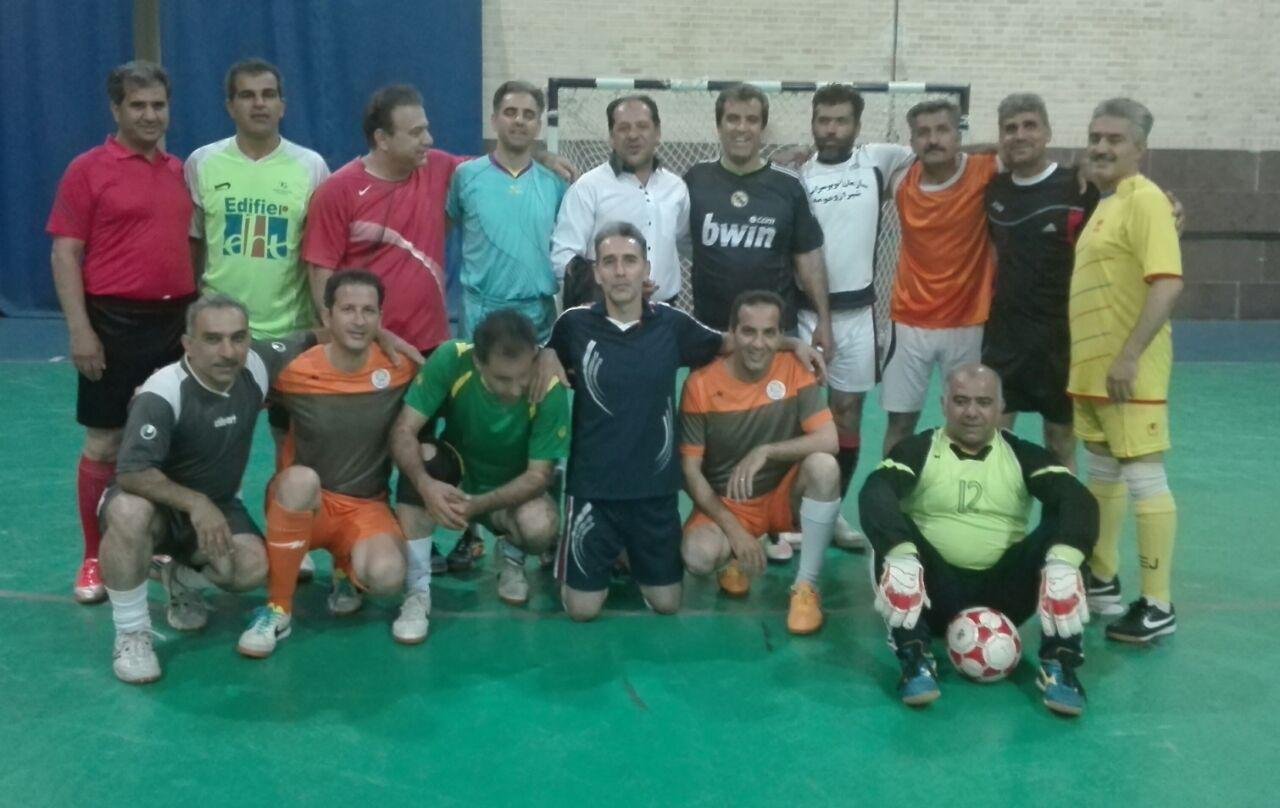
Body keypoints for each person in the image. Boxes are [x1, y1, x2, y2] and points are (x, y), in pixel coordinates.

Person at [544, 222, 824, 621]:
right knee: (581, 611)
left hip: (654, 493)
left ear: (645, 268)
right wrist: (545, 355)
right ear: (597, 272)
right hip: (593, 491)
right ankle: (599, 552)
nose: (620, 271)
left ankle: (628, 553)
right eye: (609, 262)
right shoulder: (573, 324)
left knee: (667, 603)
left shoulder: (672, 324)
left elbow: (733, 341)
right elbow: (545, 355)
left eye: (629, 261)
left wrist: (793, 343)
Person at [859, 364, 1098, 716]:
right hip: (932, 592)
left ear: (1001, 408)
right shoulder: (917, 449)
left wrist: (1064, 560)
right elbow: (876, 491)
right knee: (894, 536)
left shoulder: (1022, 454)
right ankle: (915, 659)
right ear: (943, 405)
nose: (971, 412)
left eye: (984, 402)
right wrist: (901, 553)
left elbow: (1076, 499)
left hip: (1006, 594)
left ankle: (1060, 664)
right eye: (961, 401)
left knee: (1067, 539)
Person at [47, 61, 197, 605]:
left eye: (159, 105)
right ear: (116, 109)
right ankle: (94, 556)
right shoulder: (87, 170)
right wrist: (81, 330)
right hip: (112, 323)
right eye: (138, 105)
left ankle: (164, 548)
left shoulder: (181, 171)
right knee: (106, 442)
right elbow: (65, 253)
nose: (150, 115)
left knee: (169, 442)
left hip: (176, 324)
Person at [99, 295, 294, 683]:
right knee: (129, 513)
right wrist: (195, 503)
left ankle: (178, 577)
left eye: (238, 338)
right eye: (213, 339)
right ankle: (132, 633)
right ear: (188, 344)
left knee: (251, 569)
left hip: (218, 506)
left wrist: (387, 338)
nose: (228, 351)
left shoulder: (256, 365)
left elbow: (314, 336)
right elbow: (132, 473)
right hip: (155, 506)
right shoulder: (162, 391)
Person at [236, 271, 416, 658]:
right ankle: (278, 610)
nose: (359, 320)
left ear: (381, 317)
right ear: (327, 315)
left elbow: (451, 371)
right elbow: (231, 364)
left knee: (388, 576)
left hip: (366, 507)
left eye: (369, 311)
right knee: (300, 480)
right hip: (306, 501)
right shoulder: (293, 369)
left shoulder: (399, 367)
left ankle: (344, 569)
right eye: (348, 309)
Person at [1069, 98, 1183, 643]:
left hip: (1127, 373)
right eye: (1095, 137)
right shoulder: (1106, 203)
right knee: (1104, 472)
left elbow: (1168, 283)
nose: (1101, 146)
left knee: (1143, 476)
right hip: (1093, 374)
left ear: (1140, 148)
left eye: (1114, 139)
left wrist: (1131, 354)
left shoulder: (1146, 200)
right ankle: (1102, 578)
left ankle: (1158, 604)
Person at [388, 310, 570, 640]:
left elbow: (538, 476)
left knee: (541, 525)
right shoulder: (452, 359)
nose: (515, 389)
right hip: (457, 477)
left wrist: (476, 505)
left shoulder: (548, 386)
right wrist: (426, 486)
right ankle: (416, 592)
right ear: (478, 361)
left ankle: (512, 555)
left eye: (522, 376)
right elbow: (403, 431)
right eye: (502, 379)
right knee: (423, 460)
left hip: (510, 492)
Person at [798, 83, 918, 549]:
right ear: (813, 124)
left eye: (840, 121)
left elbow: (941, 151)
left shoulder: (878, 160)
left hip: (858, 315)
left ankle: (831, 514)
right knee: (799, 418)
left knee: (847, 415)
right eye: (823, 120)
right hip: (805, 315)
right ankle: (789, 513)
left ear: (856, 125)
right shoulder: (796, 174)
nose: (831, 129)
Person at [680, 290, 840, 634]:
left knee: (824, 467)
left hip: (782, 495)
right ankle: (735, 557)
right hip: (730, 502)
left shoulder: (795, 368)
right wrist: (734, 531)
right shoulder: (700, 385)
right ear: (732, 333)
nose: (758, 343)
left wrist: (766, 451)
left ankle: (806, 586)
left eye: (769, 333)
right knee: (697, 556)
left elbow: (830, 440)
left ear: (781, 336)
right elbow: (690, 472)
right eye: (748, 332)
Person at [984, 94, 1098, 471]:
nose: (1019, 135)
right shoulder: (994, 189)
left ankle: (1061, 511)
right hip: (1005, 337)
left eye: (1029, 126)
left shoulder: (1079, 187)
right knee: (994, 440)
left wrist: (1172, 209)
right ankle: (999, 511)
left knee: (1060, 441)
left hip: (1061, 339)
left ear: (1047, 132)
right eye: (1010, 128)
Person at [881, 100, 1000, 455]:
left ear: (958, 135)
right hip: (908, 321)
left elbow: (1029, 158)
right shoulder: (900, 180)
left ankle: (964, 487)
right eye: (923, 133)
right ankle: (893, 487)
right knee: (900, 423)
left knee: (970, 423)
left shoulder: (986, 169)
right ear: (912, 142)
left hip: (968, 321)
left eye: (942, 130)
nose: (933, 139)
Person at [185, 58, 330, 341]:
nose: (259, 104)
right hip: (219, 332)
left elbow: (320, 254)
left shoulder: (312, 166)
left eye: (268, 94)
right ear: (230, 107)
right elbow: (193, 246)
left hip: (289, 334)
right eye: (247, 95)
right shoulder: (201, 163)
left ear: (282, 106)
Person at [684, 83, 833, 354]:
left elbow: (809, 259)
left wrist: (824, 320)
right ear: (719, 126)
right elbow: (677, 240)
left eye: (751, 120)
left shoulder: (788, 185)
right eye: (733, 119)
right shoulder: (696, 179)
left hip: (776, 333)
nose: (742, 128)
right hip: (711, 331)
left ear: (762, 128)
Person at [447, 81, 567, 341]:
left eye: (528, 115)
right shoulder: (465, 176)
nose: (519, 120)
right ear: (494, 120)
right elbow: (446, 227)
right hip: (480, 313)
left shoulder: (555, 183)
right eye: (510, 112)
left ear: (538, 125)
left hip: (537, 315)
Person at [550, 94, 688, 305]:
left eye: (642, 126)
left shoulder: (676, 188)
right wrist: (619, 285)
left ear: (657, 133)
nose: (633, 135)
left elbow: (685, 243)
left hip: (663, 314)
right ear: (611, 137)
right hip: (604, 313)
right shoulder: (588, 188)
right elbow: (562, 258)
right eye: (623, 128)